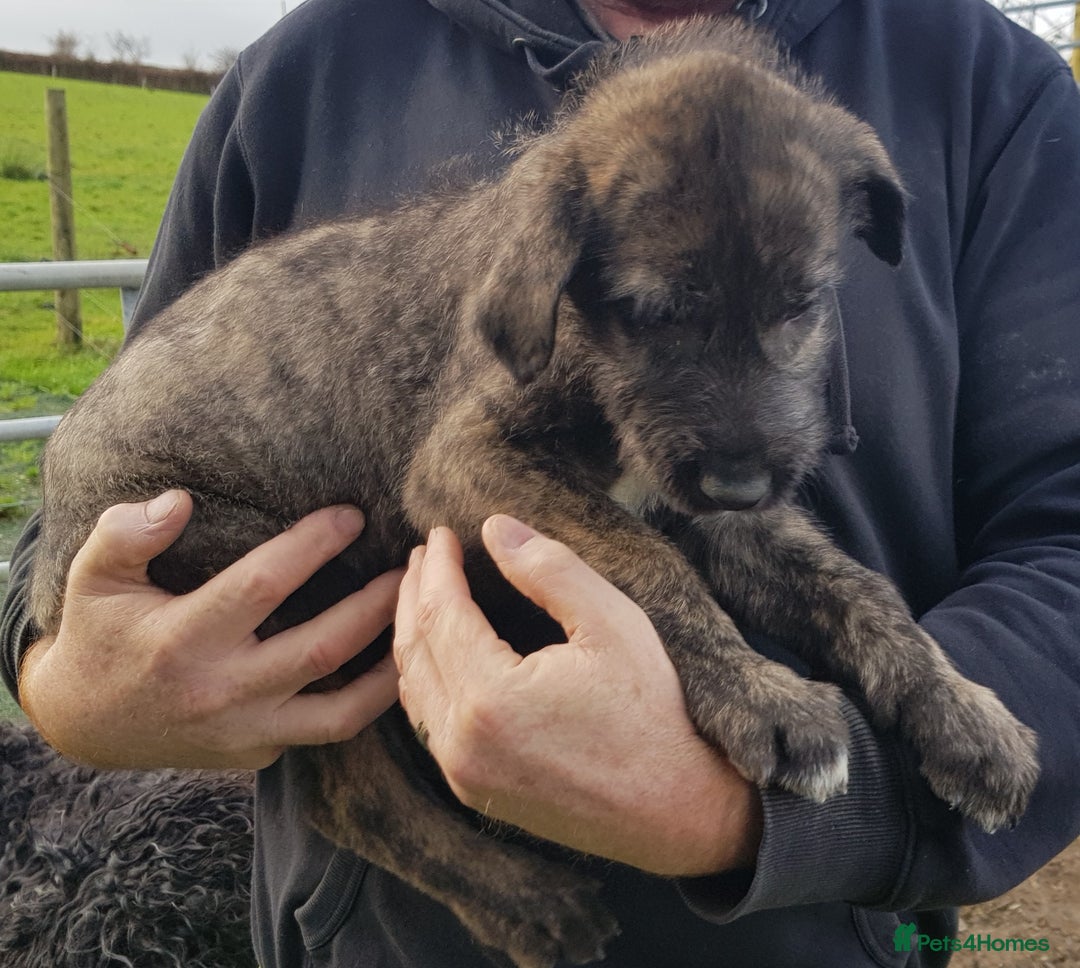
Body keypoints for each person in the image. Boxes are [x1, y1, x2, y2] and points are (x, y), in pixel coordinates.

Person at [3, 0, 1079, 964]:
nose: (742, 437)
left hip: (815, 938)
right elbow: (460, 467)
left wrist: (903, 693)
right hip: (207, 479)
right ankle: (415, 835)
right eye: (659, 315)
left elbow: (1050, 529)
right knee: (349, 637)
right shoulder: (310, 70)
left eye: (797, 310)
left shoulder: (989, 90)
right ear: (558, 278)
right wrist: (65, 684)